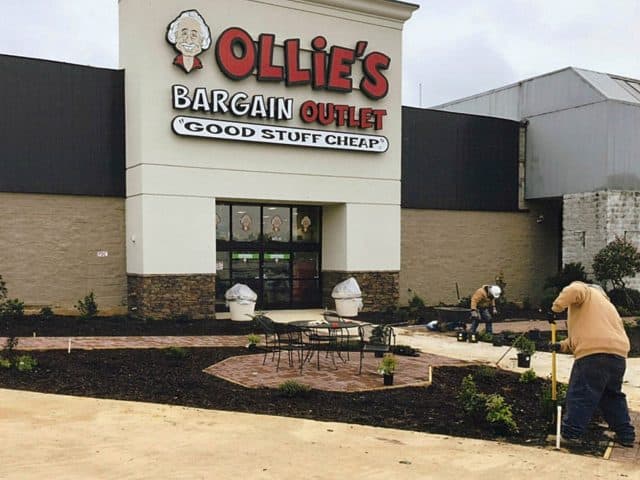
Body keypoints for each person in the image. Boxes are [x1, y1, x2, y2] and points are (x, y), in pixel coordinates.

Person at [550, 281, 636, 447]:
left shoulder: (587, 292)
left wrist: (554, 309)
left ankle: (570, 434)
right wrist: (561, 345)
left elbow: (574, 289)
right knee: (611, 396)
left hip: (594, 356)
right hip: (618, 355)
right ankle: (626, 435)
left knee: (581, 393)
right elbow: (586, 335)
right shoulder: (608, 307)